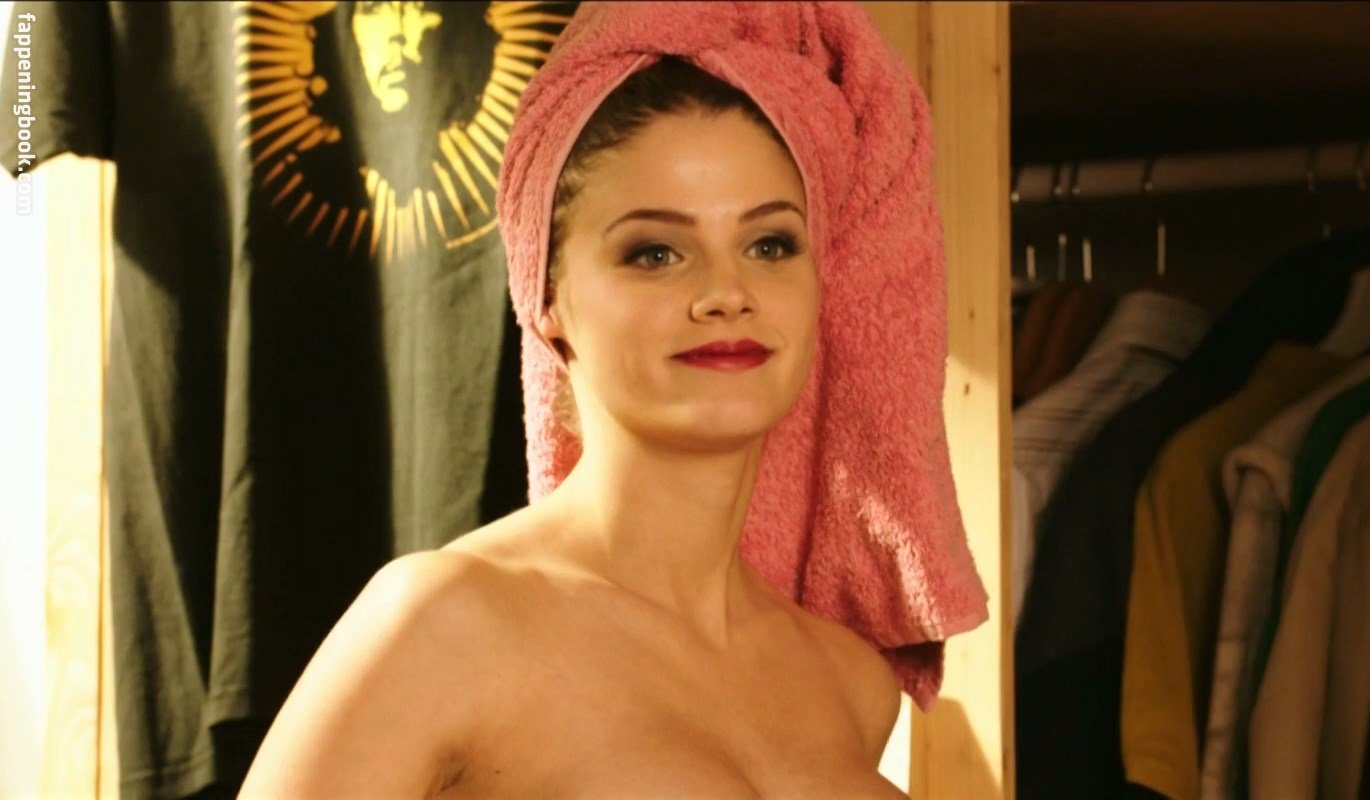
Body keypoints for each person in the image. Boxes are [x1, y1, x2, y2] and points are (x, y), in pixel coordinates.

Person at [239, 56, 910, 798]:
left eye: (770, 245)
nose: (727, 292)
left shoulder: (850, 682)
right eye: (655, 253)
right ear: (547, 300)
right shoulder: (444, 624)